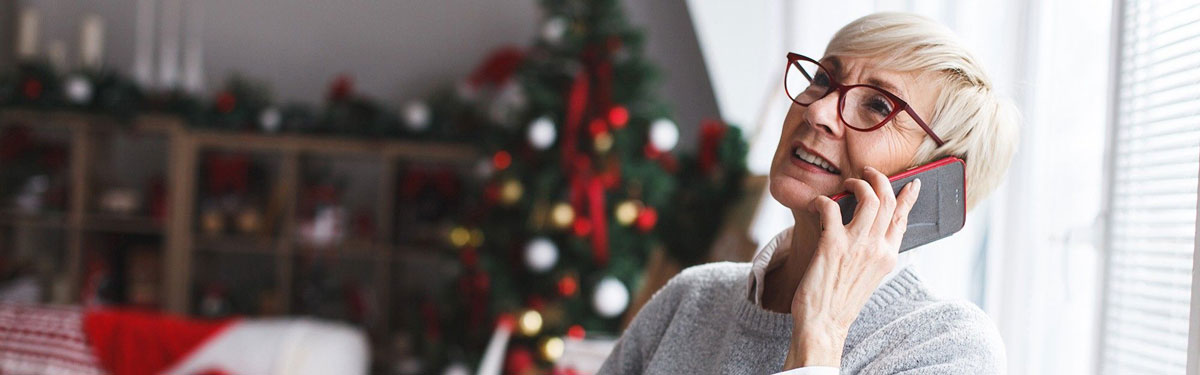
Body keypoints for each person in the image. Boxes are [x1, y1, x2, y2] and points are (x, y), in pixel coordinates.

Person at [598, 12, 1018, 375]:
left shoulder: (948, 347)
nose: (817, 111)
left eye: (877, 105)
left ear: (930, 177)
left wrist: (821, 330)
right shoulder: (690, 299)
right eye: (822, 79)